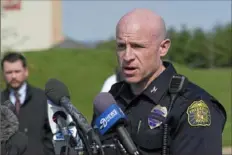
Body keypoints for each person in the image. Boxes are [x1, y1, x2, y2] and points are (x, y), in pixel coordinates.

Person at [91, 8, 226, 155]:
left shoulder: (191, 106)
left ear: (163, 48)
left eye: (137, 46)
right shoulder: (111, 102)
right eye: (121, 46)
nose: (127, 56)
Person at [1, 52, 55, 155]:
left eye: (17, 71)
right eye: (9, 72)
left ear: (26, 71)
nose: (13, 76)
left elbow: (52, 133)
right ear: (3, 74)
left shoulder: (43, 99)